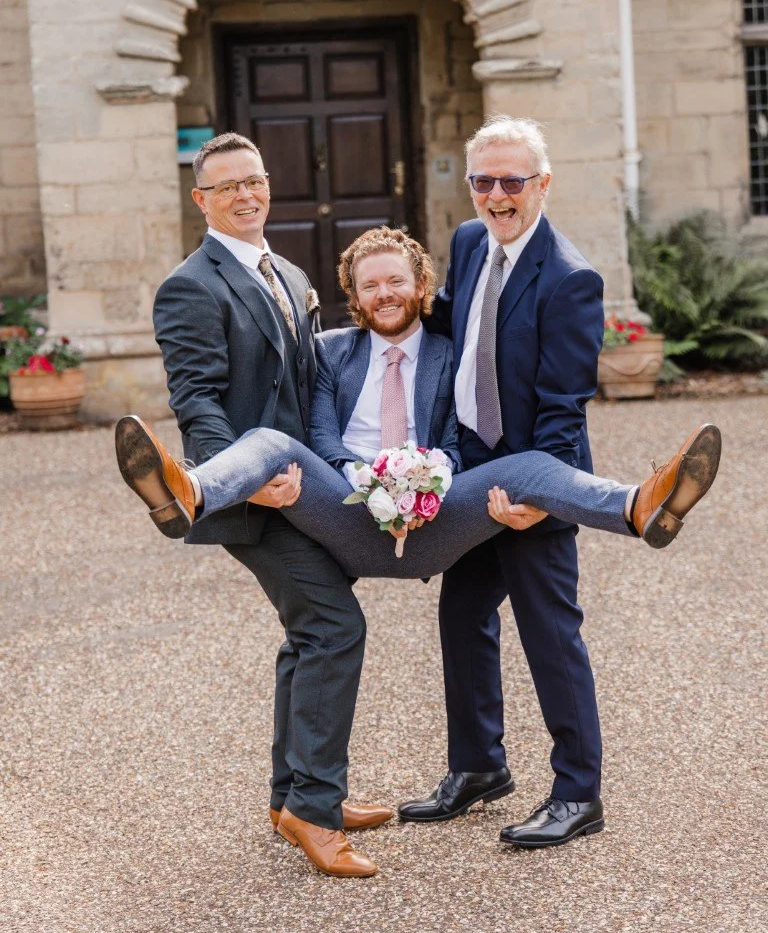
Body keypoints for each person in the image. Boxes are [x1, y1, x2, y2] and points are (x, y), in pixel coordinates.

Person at [119, 227, 720, 595]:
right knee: (270, 441)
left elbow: (462, 440)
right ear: (353, 298)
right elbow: (325, 440)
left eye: (395, 281)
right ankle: (190, 492)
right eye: (370, 285)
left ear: (420, 284)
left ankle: (637, 506)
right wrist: (372, 484)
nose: (384, 294)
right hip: (345, 512)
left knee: (527, 464)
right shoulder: (332, 354)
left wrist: (424, 485)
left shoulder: (451, 354)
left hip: (439, 517)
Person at [149, 131, 392, 881]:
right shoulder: (190, 285)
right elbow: (197, 400)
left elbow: (308, 383)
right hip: (249, 499)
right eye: (227, 187)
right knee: (333, 623)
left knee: (306, 630)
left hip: (306, 486)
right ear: (202, 200)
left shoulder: (286, 271)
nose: (246, 195)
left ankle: (293, 796)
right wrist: (244, 476)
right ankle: (318, 811)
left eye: (253, 180)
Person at [397, 114, 640, 848]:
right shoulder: (471, 243)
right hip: (471, 467)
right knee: (462, 614)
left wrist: (539, 500)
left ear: (543, 184)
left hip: (534, 476)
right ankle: (478, 767)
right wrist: (397, 307)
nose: (497, 195)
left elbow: (565, 407)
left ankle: (578, 792)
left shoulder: (570, 278)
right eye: (484, 180)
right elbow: (458, 324)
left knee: (549, 631)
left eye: (512, 180)